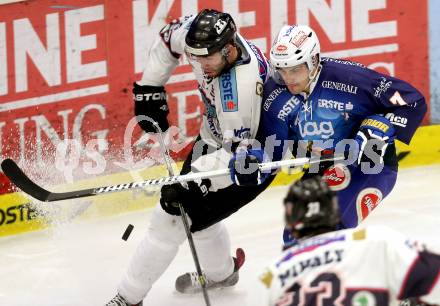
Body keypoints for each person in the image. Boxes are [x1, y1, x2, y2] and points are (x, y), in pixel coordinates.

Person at [106, 9, 274, 306]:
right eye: (195, 57)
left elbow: (236, 156)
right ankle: (222, 275)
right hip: (214, 141)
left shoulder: (241, 87)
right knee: (196, 219)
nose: (200, 64)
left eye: (207, 58)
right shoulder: (198, 39)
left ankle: (127, 299)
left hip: (251, 160)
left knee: (170, 217)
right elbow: (168, 40)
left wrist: (193, 183)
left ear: (230, 48)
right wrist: (150, 87)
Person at [253, 24, 427, 244]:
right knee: (294, 239)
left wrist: (381, 125)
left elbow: (412, 101)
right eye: (282, 70)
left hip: (369, 165)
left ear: (314, 60)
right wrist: (254, 159)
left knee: (322, 233)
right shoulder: (275, 94)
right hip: (322, 165)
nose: (288, 79)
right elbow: (272, 148)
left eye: (295, 69)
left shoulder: (349, 79)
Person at [257, 176, 440, 306]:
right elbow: (433, 271)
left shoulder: (273, 273)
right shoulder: (375, 239)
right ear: (333, 211)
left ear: (291, 220)